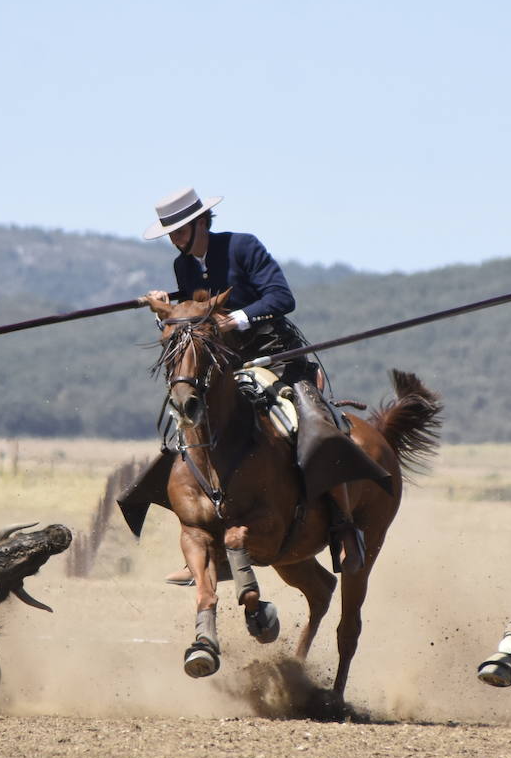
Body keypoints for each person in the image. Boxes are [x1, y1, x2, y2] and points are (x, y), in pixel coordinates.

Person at [126, 187, 389, 582]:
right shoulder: (183, 268)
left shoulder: (243, 247)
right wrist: (167, 304)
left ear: (200, 222)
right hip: (224, 367)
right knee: (190, 429)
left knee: (315, 426)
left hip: (276, 355)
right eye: (170, 232)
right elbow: (194, 314)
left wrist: (241, 318)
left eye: (180, 229)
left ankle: (344, 524)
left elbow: (282, 297)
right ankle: (201, 536)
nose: (175, 238)